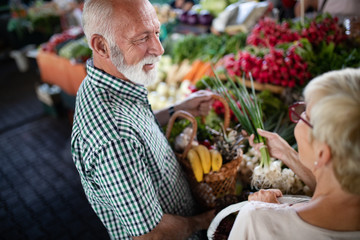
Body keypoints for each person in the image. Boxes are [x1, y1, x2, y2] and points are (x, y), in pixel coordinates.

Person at [71, 0, 215, 239]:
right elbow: (152, 235)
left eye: (157, 33)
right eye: (142, 38)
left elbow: (135, 127)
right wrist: (205, 219)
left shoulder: (112, 82)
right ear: (101, 46)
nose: (159, 49)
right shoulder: (114, 139)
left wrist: (176, 109)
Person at [228, 68, 360, 239]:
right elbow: (334, 188)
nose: (298, 116)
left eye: (305, 115)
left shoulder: (256, 219)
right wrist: (286, 153)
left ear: (322, 152)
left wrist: (270, 214)